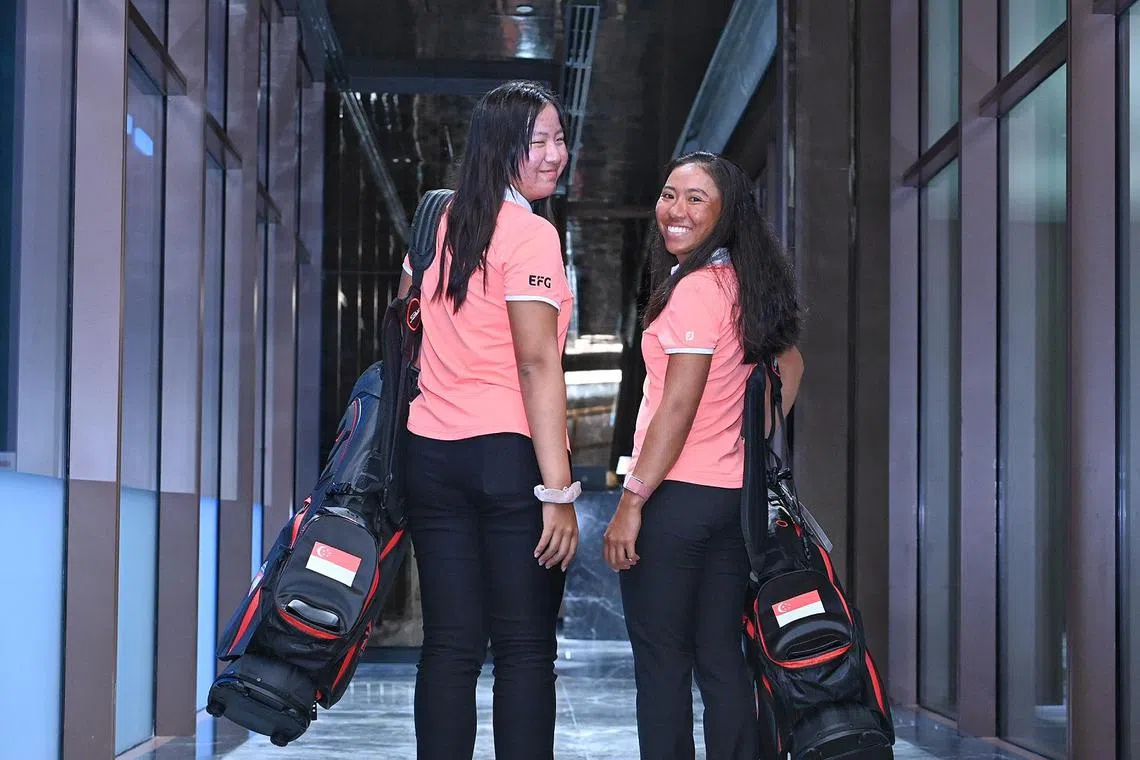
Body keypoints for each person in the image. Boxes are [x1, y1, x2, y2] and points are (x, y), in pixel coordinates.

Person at [397, 81, 580, 760]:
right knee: (525, 648)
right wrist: (558, 493)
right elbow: (537, 364)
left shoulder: (435, 226)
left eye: (560, 138)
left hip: (430, 456)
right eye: (539, 141)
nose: (556, 154)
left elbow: (410, 326)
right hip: (508, 460)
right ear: (501, 148)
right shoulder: (530, 236)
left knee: (449, 644)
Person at [603, 151, 805, 760]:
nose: (676, 209)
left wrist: (633, 499)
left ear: (726, 213)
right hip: (730, 502)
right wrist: (747, 433)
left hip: (676, 502)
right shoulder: (743, 286)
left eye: (696, 198)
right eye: (670, 194)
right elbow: (790, 363)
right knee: (722, 659)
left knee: (662, 662)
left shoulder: (694, 291)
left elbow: (678, 406)